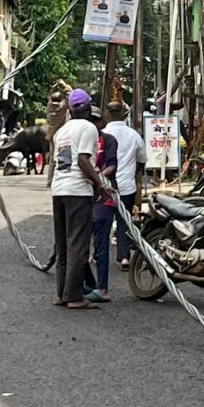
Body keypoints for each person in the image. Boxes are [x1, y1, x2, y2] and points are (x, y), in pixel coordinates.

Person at [50, 88, 109, 309]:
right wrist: (101, 184)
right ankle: (74, 296)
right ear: (87, 108)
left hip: (59, 189)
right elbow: (84, 161)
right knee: (78, 245)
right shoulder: (88, 128)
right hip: (77, 190)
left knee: (63, 244)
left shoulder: (61, 131)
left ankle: (61, 293)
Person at [104, 100, 146, 271]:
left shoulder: (102, 133)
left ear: (107, 114)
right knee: (124, 221)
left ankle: (97, 255)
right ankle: (124, 258)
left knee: (102, 222)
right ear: (124, 114)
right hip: (127, 186)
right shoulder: (133, 135)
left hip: (104, 186)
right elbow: (142, 160)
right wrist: (132, 173)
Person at [86, 105, 118, 303]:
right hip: (83, 195)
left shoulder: (108, 140)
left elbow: (112, 165)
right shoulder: (81, 139)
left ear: (101, 122)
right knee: (79, 243)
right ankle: (87, 284)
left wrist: (97, 177)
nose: (92, 124)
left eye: (95, 120)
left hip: (104, 195)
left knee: (101, 243)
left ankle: (102, 287)